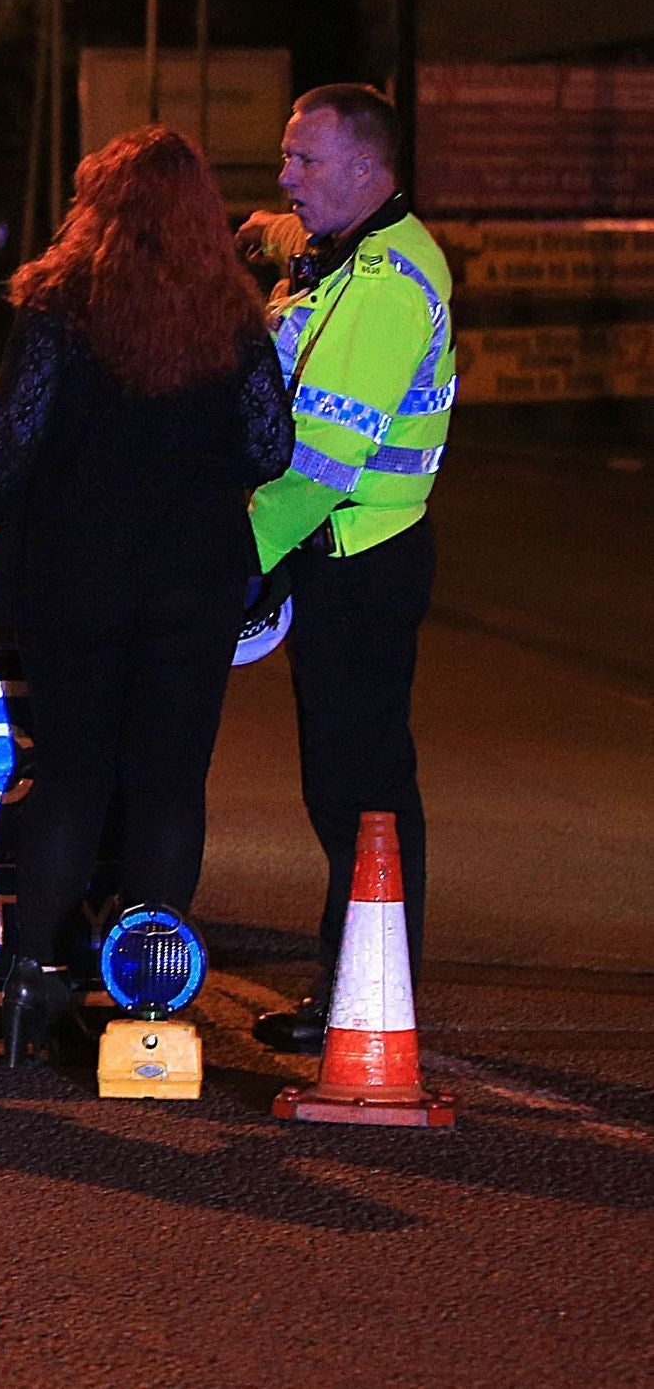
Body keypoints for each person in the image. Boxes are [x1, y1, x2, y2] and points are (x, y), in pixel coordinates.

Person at [0, 127, 292, 1061]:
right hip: (191, 585)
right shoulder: (233, 314)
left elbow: (12, 441)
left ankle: (31, 987)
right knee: (170, 786)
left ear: (96, 208)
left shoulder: (59, 307)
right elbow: (271, 449)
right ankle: (149, 994)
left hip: (73, 581)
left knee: (69, 781)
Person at [244, 83, 454, 1055]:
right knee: (352, 784)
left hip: (353, 559)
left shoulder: (377, 283)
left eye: (303, 162)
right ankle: (360, 992)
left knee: (357, 790)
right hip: (356, 555)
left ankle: (362, 1001)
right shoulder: (352, 257)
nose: (284, 177)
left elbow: (321, 460)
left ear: (367, 170)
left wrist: (230, 561)